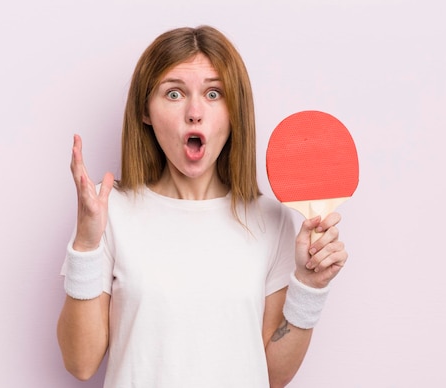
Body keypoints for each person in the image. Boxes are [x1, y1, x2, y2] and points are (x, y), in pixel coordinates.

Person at [57, 25, 348, 388]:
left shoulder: (269, 220)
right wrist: (85, 244)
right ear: (145, 111)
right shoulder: (108, 211)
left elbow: (273, 375)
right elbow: (80, 363)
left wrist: (309, 285)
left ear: (234, 112)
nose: (195, 112)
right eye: (174, 93)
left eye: (214, 93)